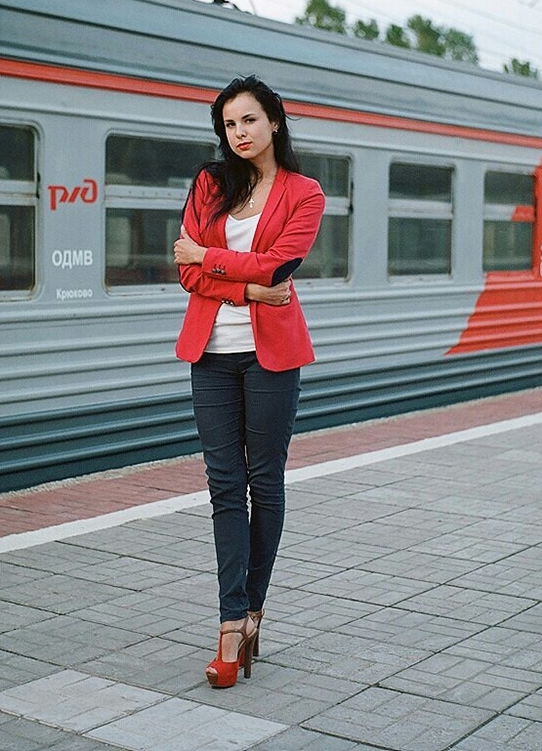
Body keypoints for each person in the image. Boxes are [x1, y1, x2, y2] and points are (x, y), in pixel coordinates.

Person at [174, 74, 324, 688]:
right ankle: (232, 621)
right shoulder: (209, 184)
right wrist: (245, 285)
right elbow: (186, 273)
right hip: (210, 353)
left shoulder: (305, 192)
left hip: (272, 357)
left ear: (275, 122)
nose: (238, 133)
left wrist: (209, 259)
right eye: (229, 124)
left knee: (265, 482)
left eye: (249, 121)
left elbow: (279, 266)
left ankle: (250, 611)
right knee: (222, 486)